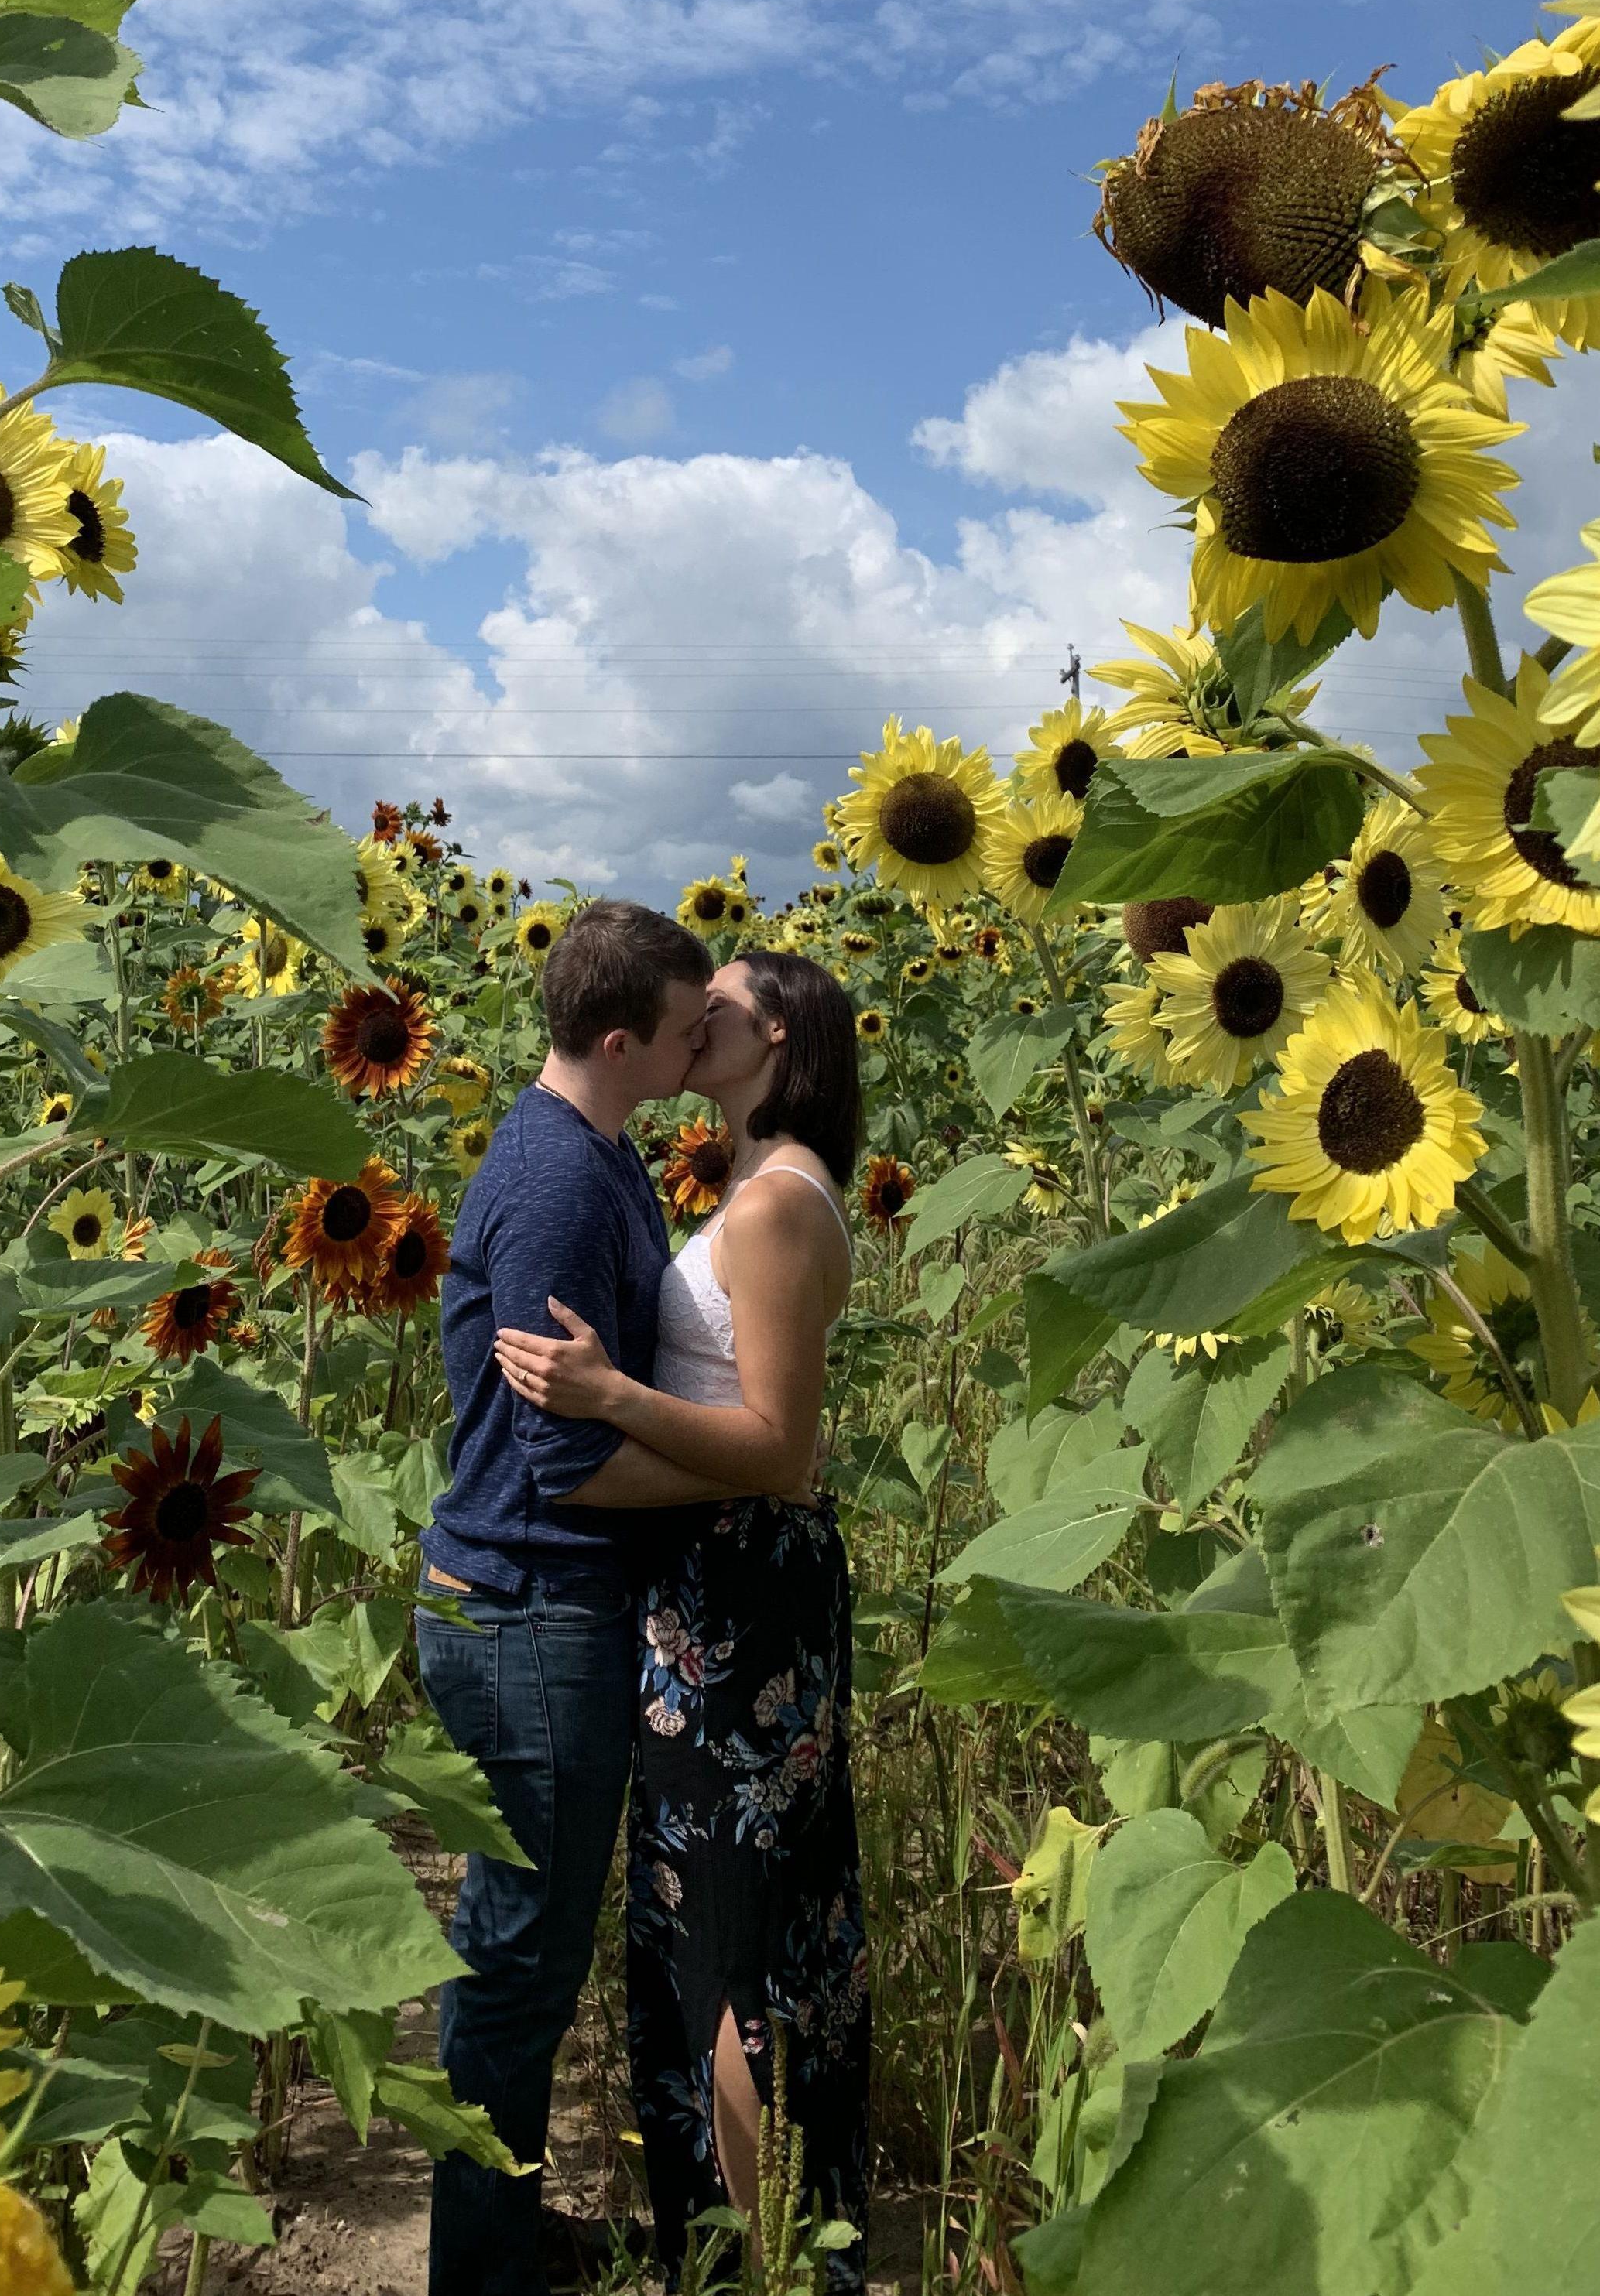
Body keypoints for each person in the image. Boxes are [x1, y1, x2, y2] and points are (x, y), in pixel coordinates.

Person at [494, 950, 869, 2294]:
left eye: (713, 1006)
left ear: (775, 1033)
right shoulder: (754, 1185)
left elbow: (778, 1446)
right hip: (726, 1580)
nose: (689, 1021)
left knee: (727, 1940)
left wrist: (605, 1401)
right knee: (750, 1920)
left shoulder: (774, 1207)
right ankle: (759, 2253)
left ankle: (748, 2267)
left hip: (739, 1589)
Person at [420, 899, 735, 2296]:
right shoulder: (557, 1179)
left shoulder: (585, 1149)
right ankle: (475, 2271)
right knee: (520, 1961)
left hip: (531, 1604)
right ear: (618, 1040)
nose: (695, 1049)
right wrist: (743, 1480)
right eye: (679, 1032)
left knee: (525, 1945)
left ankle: (496, 2229)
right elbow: (561, 1464)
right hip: (526, 1604)